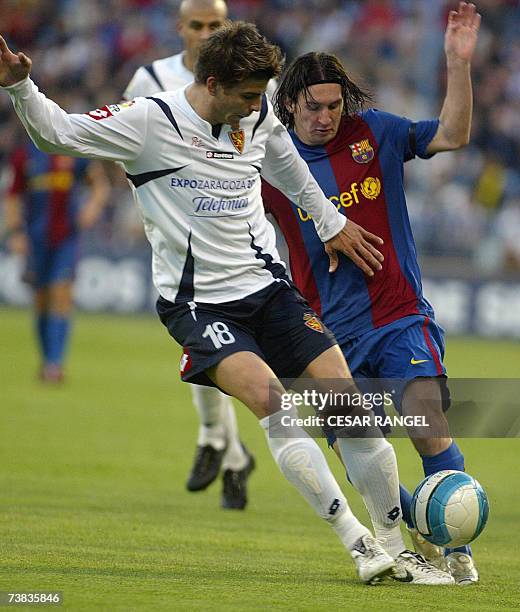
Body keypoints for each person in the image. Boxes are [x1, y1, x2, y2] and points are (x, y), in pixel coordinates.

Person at [0, 22, 419, 585]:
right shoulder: (150, 121)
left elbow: (284, 159)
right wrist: (20, 89)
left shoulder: (257, 110)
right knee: (276, 405)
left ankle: (398, 546)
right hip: (199, 306)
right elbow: (58, 134)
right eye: (247, 96)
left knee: (347, 408)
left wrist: (329, 219)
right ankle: (360, 544)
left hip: (268, 289)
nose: (257, 108)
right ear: (215, 83)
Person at [263, 1, 481, 585]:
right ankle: (421, 524)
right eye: (313, 107)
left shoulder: (376, 133)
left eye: (335, 106)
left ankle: (457, 548)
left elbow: (455, 134)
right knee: (364, 461)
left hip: (397, 315)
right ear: (290, 104)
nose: (326, 118)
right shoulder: (269, 166)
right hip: (325, 337)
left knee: (425, 419)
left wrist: (457, 65)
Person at [123, 0, 267, 511]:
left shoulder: (248, 85)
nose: (206, 34)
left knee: (218, 345)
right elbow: (127, 141)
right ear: (180, 28)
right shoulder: (150, 78)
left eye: (216, 26)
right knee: (207, 341)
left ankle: (220, 445)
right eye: (198, 25)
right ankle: (223, 447)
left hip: (231, 226)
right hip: (175, 230)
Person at [3, 138, 109, 382]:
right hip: (35, 239)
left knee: (61, 295)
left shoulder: (72, 152)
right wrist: (15, 231)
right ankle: (46, 359)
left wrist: (92, 208)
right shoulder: (25, 155)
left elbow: (99, 184)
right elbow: (12, 195)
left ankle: (54, 364)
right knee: (41, 300)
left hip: (67, 239)